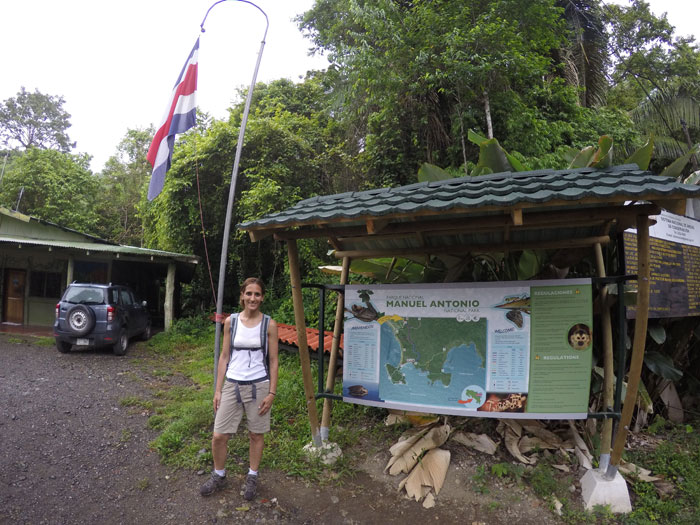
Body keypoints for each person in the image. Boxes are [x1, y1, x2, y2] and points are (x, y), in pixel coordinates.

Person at [200, 277, 279, 500]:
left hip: (259, 385)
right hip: (232, 384)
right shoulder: (231, 322)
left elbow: (273, 360)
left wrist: (272, 392)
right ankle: (219, 474)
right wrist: (218, 390)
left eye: (257, 294)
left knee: (256, 434)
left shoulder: (269, 324)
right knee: (218, 436)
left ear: (262, 297)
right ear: (242, 296)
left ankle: (252, 476)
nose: (252, 298)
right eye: (249, 294)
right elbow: (224, 356)